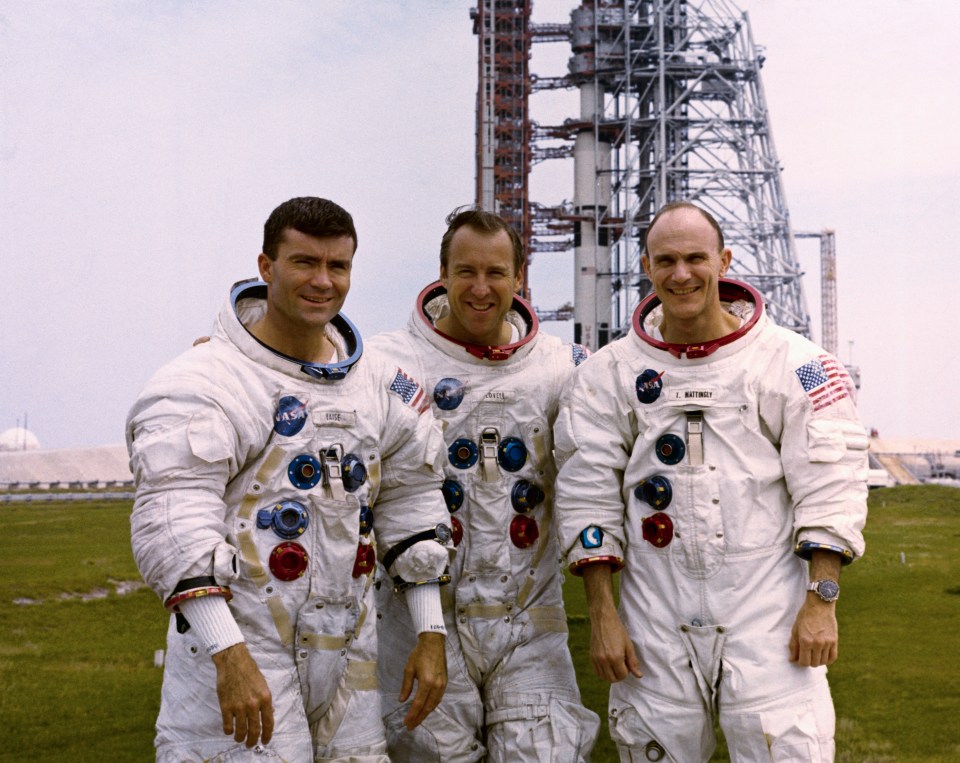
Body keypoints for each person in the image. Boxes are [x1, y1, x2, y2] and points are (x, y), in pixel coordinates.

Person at [126, 197, 453, 762]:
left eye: (338, 266)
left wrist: (430, 631)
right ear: (265, 266)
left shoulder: (382, 382)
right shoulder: (207, 380)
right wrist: (227, 653)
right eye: (304, 263)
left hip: (350, 649)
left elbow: (414, 500)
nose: (322, 281)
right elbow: (174, 523)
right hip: (239, 648)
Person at [554, 201, 869, 762]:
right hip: (655, 621)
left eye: (696, 258)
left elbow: (831, 486)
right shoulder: (608, 375)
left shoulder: (793, 365)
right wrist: (603, 617)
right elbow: (588, 497)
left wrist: (822, 601)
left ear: (723, 260)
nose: (682, 275)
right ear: (646, 266)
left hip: (767, 622)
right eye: (666, 260)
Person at [367, 208, 600, 761]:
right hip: (420, 619)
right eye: (465, 271)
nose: (480, 288)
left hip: (528, 622)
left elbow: (638, 403)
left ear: (519, 277)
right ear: (441, 272)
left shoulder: (564, 367)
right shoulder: (382, 365)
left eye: (496, 273)